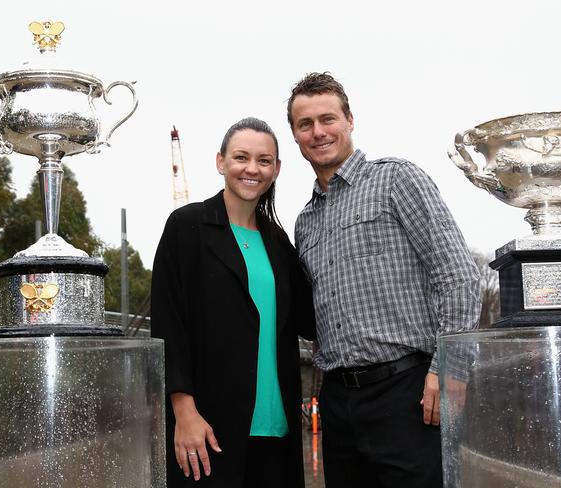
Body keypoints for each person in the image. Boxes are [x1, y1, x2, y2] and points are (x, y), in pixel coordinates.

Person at [287, 72, 482, 488]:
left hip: (407, 392)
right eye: (306, 124)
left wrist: (449, 370)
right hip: (338, 402)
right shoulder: (305, 222)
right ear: (295, 135)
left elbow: (458, 275)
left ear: (350, 120)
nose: (318, 132)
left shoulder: (397, 180)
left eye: (328, 119)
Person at [151, 117, 315, 488]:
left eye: (264, 160)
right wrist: (184, 411)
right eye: (241, 157)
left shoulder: (278, 243)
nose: (252, 169)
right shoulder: (186, 227)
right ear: (220, 161)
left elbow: (309, 320)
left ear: (276, 169)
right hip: (208, 429)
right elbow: (167, 324)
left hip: (277, 429)